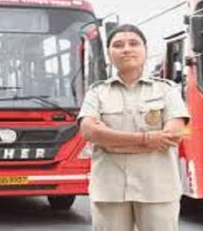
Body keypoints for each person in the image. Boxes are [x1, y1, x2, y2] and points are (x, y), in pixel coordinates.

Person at [78, 24, 190, 231]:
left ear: (145, 50)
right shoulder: (97, 92)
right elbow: (89, 132)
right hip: (109, 190)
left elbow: (173, 134)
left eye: (134, 43)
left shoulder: (166, 90)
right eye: (118, 45)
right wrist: (147, 140)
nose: (126, 49)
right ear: (109, 54)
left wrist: (111, 143)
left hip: (157, 189)